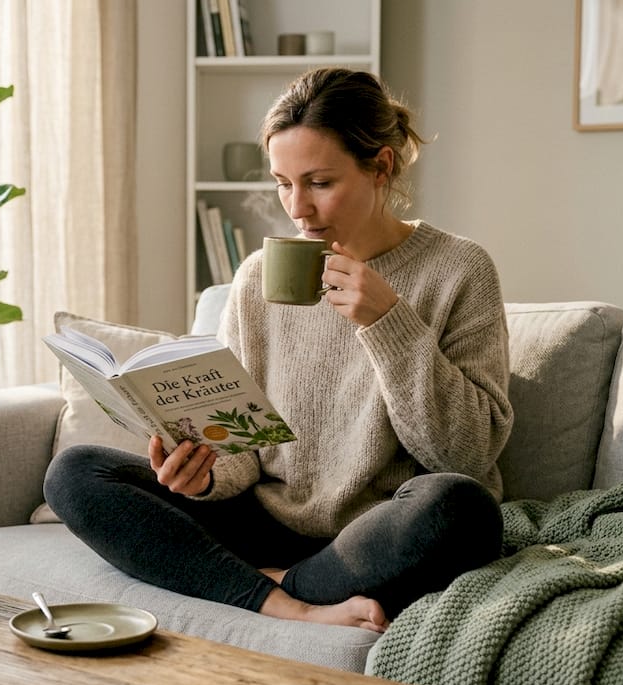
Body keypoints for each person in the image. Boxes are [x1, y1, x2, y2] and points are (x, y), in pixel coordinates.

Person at [44, 68, 512, 632]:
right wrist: (204, 473)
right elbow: (244, 448)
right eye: (283, 183)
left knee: (460, 507)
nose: (297, 209)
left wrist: (389, 323)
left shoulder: (459, 270)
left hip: (374, 532)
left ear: (381, 166)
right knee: (76, 471)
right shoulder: (259, 277)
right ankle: (287, 601)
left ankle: (240, 582)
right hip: (267, 519)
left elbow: (465, 454)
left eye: (319, 182)